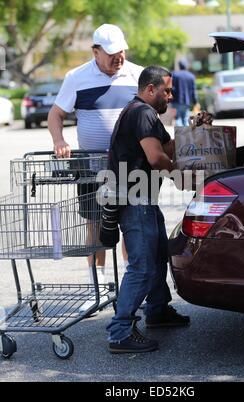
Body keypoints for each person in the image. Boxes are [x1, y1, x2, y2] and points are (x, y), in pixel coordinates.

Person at [106, 65, 213, 354]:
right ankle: (119, 333)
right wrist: (181, 171)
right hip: (135, 201)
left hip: (143, 199)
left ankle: (157, 312)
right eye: (166, 90)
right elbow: (157, 158)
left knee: (156, 257)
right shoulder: (142, 113)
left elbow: (169, 147)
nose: (171, 94)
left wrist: (195, 129)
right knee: (141, 266)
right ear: (150, 89)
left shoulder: (146, 114)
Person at [48, 24, 143, 287]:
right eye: (112, 53)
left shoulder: (137, 74)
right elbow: (56, 114)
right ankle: (96, 286)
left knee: (132, 226)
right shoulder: (76, 77)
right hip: (91, 168)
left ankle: (132, 284)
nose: (118, 57)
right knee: (95, 225)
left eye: (121, 51)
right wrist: (59, 140)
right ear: (95, 52)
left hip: (130, 166)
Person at [171, 59, 198, 126]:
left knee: (177, 119)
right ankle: (186, 135)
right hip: (186, 102)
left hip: (176, 101)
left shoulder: (174, 75)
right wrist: (195, 102)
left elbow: (171, 88)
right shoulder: (191, 76)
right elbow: (193, 90)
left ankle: (179, 135)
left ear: (179, 66)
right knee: (185, 119)